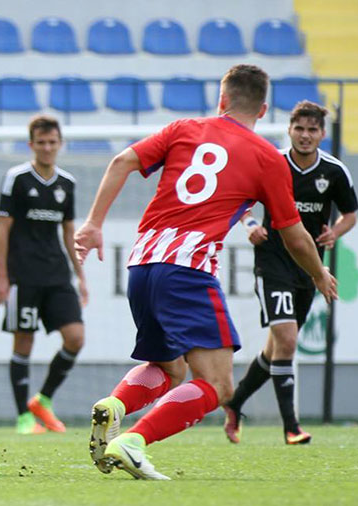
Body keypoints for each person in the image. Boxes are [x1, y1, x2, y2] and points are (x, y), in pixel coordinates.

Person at [74, 64, 338, 480]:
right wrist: (319, 274)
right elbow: (295, 236)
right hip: (187, 270)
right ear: (264, 109)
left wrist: (92, 224)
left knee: (169, 368)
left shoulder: (183, 128)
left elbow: (122, 161)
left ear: (222, 99)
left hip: (142, 265)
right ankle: (132, 442)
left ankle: (115, 407)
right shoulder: (268, 158)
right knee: (219, 385)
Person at [224, 101, 358, 445]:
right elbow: (240, 201)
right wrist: (250, 223)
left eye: (313, 130)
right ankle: (292, 427)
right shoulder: (272, 164)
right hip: (271, 263)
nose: (305, 135)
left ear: (322, 135)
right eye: (299, 128)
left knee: (276, 350)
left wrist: (336, 232)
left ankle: (234, 403)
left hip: (309, 268)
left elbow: (349, 215)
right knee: (287, 340)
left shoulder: (334, 172)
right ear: (289, 130)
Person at [0, 115, 88, 435]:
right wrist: (2, 276)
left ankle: (42, 400)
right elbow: (3, 229)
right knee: (24, 343)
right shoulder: (16, 178)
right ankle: (23, 417)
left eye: (53, 142)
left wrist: (81, 276)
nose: (47, 148)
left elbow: (68, 231)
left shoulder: (67, 183)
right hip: (24, 276)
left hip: (57, 275)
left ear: (60, 144)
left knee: (75, 338)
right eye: (41, 142)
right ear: (31, 145)